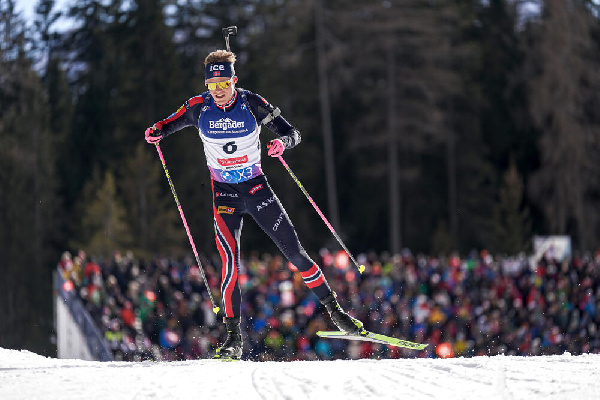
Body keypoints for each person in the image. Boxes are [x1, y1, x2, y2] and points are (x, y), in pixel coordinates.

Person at [144, 50, 363, 360]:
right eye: (212, 84)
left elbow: (293, 133)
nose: (217, 90)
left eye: (223, 83)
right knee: (230, 264)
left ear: (234, 80)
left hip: (257, 190)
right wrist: (156, 133)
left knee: (295, 254)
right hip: (224, 195)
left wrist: (281, 143)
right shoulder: (198, 107)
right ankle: (233, 337)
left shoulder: (252, 103)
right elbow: (165, 125)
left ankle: (336, 312)